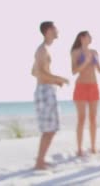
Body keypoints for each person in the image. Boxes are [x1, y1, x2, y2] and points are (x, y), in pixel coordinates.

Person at [31, 21, 69, 170]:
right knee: (49, 129)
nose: (57, 30)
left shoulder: (44, 49)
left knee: (51, 128)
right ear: (48, 31)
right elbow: (39, 72)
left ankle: (40, 160)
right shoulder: (42, 50)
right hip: (45, 91)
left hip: (47, 89)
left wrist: (54, 81)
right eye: (55, 28)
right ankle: (39, 161)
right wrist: (59, 79)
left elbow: (34, 72)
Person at [70, 31, 100, 156]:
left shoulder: (94, 52)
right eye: (89, 36)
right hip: (81, 86)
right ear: (82, 38)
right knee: (81, 118)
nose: (91, 38)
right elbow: (74, 71)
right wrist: (85, 62)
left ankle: (93, 147)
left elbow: (99, 69)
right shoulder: (75, 52)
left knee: (93, 118)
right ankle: (79, 149)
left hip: (93, 86)